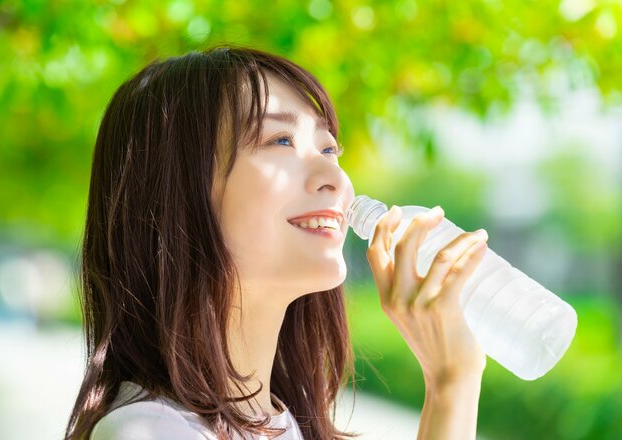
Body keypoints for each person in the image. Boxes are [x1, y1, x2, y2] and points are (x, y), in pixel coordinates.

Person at [64, 44, 490, 440]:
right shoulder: (148, 432)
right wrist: (449, 386)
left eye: (328, 150)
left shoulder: (280, 424)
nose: (336, 179)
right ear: (171, 190)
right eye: (281, 141)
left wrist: (454, 378)